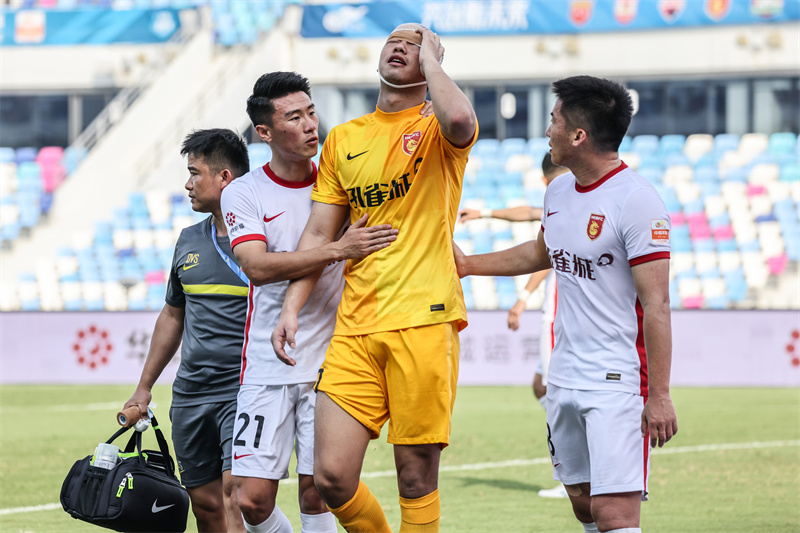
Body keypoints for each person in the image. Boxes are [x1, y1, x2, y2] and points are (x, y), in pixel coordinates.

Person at [271, 24, 477, 533]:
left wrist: (433, 64)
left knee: (415, 476)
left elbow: (460, 118)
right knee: (330, 477)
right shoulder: (344, 138)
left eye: (415, 42)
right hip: (355, 326)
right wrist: (291, 306)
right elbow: (319, 234)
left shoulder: (436, 127)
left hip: (424, 318)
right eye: (394, 40)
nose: (401, 46)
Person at [453, 75, 678, 533]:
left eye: (554, 120)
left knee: (614, 513)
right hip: (563, 373)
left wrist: (659, 394)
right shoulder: (558, 191)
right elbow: (541, 253)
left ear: (579, 135)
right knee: (581, 503)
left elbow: (657, 305)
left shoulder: (637, 201)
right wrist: (469, 265)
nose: (547, 130)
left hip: (616, 379)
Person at [219, 71, 399, 533]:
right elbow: (257, 267)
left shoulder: (342, 183)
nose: (310, 125)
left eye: (312, 112)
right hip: (268, 359)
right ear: (265, 132)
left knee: (318, 489)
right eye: (294, 117)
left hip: (335, 358)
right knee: (251, 500)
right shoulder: (244, 192)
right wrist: (338, 249)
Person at [123, 128, 251, 533]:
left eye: (195, 173)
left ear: (224, 177)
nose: (187, 183)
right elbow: (172, 315)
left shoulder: (265, 240)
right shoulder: (188, 239)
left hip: (245, 388)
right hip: (191, 394)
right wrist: (144, 387)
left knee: (237, 494)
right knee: (206, 506)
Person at [459, 153, 571, 498]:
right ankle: (577, 466)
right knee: (541, 386)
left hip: (559, 315)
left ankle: (572, 477)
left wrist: (523, 298)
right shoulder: (570, 200)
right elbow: (529, 215)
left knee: (555, 393)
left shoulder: (566, 201)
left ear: (544, 181)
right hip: (561, 312)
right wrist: (485, 213)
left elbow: (544, 255)